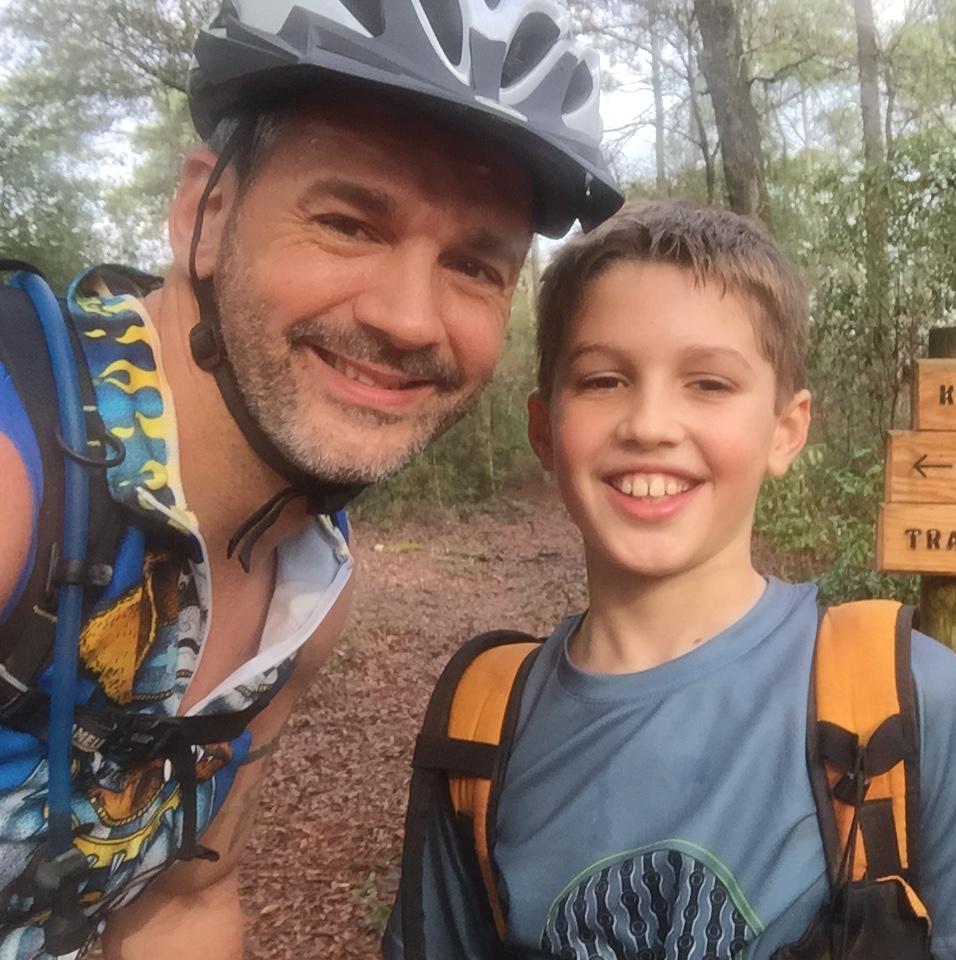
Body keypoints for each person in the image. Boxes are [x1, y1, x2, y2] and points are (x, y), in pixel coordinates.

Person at [0, 0, 622, 957]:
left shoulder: (307, 585)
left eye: (473, 266)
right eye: (348, 223)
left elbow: (184, 898)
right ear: (202, 214)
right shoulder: (19, 471)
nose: (413, 319)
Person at [386, 201, 956, 959]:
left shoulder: (906, 702)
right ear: (545, 429)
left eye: (709, 384)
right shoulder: (484, 724)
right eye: (604, 380)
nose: (651, 424)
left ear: (785, 430)